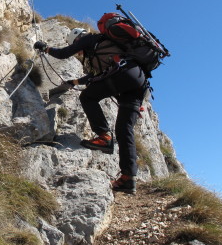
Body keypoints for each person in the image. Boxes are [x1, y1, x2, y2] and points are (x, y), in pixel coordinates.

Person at [34, 26, 147, 194]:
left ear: (77, 39)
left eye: (78, 50)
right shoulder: (103, 48)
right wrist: (74, 82)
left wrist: (45, 48)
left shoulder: (90, 39)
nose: (79, 54)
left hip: (123, 76)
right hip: (138, 82)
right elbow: (94, 77)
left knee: (87, 97)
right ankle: (128, 179)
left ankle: (103, 136)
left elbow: (64, 53)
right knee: (124, 129)